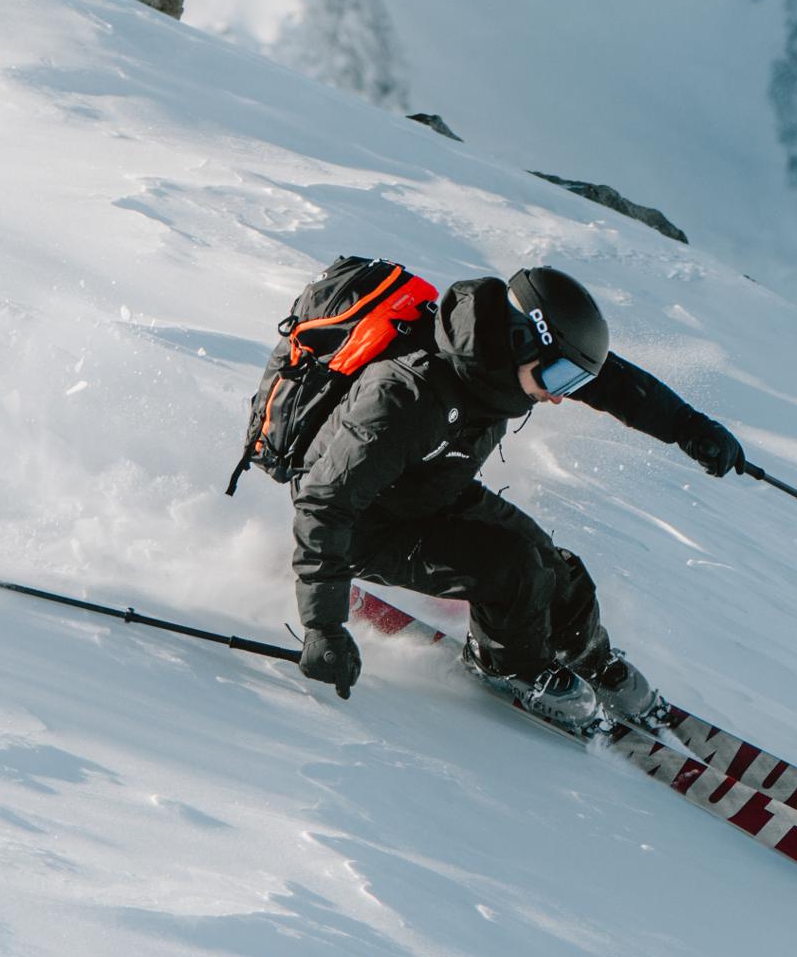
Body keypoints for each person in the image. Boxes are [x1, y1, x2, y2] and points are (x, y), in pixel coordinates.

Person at [288, 265, 742, 735]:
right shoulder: (405, 395)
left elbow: (610, 381)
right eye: (559, 377)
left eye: (570, 381)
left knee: (552, 565)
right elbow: (325, 503)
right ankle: (504, 665)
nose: (560, 396)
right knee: (513, 569)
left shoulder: (499, 363)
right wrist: (323, 627)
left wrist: (687, 426)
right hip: (365, 525)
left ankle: (583, 653)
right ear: (524, 340)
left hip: (432, 487)